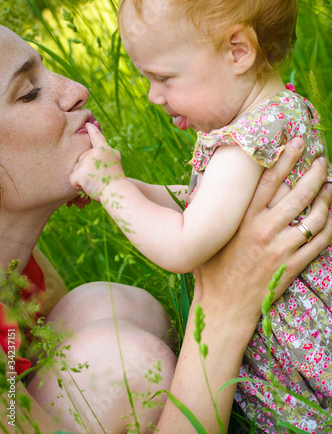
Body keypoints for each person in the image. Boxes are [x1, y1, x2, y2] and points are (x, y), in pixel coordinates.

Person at [0, 25, 331, 434]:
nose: (77, 89)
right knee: (128, 365)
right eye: (28, 92)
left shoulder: (18, 269)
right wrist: (225, 306)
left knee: (105, 308)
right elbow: (182, 247)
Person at [69, 0, 332, 431]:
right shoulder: (270, 118)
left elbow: (184, 245)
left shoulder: (246, 141)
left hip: (302, 347)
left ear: (238, 50)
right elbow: (200, 207)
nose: (152, 96)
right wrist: (128, 185)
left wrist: (111, 190)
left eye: (164, 78)